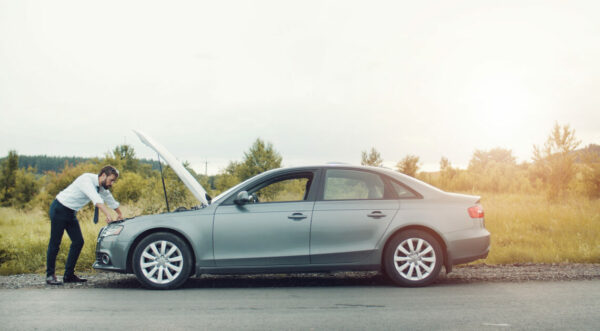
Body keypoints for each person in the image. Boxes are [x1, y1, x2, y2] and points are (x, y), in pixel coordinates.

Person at [45, 165, 123, 285]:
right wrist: (107, 215)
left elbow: (110, 199)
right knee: (55, 243)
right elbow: (96, 199)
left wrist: (119, 213)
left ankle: (68, 275)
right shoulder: (86, 179)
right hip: (59, 208)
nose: (111, 183)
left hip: (71, 212)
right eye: (111, 180)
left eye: (113, 181)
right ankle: (50, 275)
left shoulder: (102, 187)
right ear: (103, 175)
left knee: (78, 242)